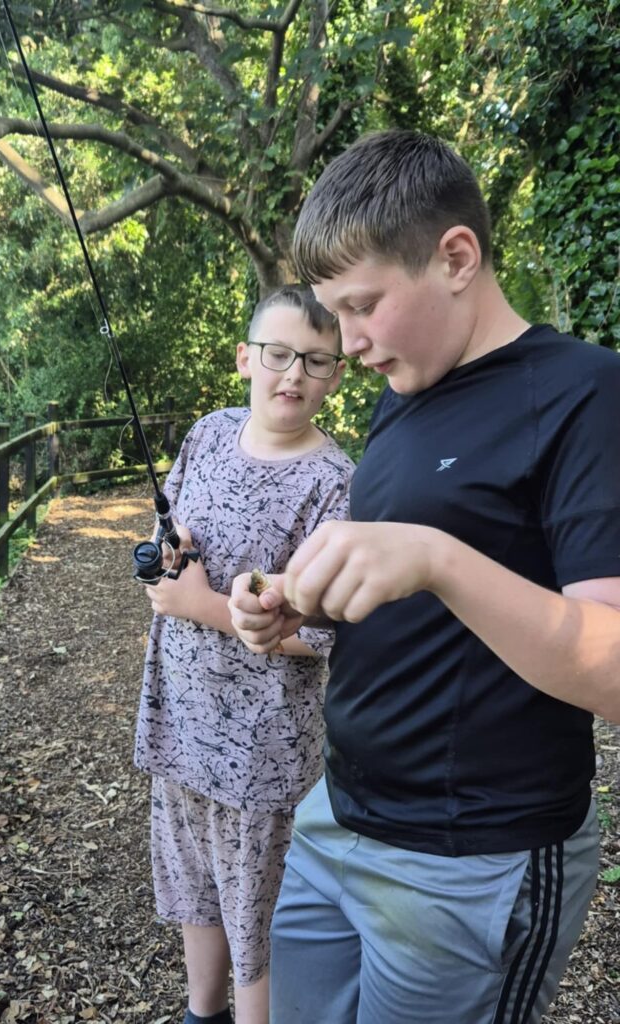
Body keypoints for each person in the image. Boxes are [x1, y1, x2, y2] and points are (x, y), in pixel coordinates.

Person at [228, 129, 620, 1024]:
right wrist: (304, 604)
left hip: (470, 858)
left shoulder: (587, 396)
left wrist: (437, 559)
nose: (351, 344)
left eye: (363, 307)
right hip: (337, 814)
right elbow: (411, 595)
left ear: (455, 256)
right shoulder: (400, 398)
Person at [133, 284, 355, 1024]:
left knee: (255, 909)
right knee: (193, 883)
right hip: (179, 716)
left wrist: (198, 604)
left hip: (262, 748)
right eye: (278, 354)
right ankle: (203, 1013)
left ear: (336, 373)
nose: (293, 375)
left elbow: (320, 633)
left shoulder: (335, 484)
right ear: (245, 358)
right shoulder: (207, 432)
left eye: (315, 361)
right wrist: (170, 559)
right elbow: (172, 527)